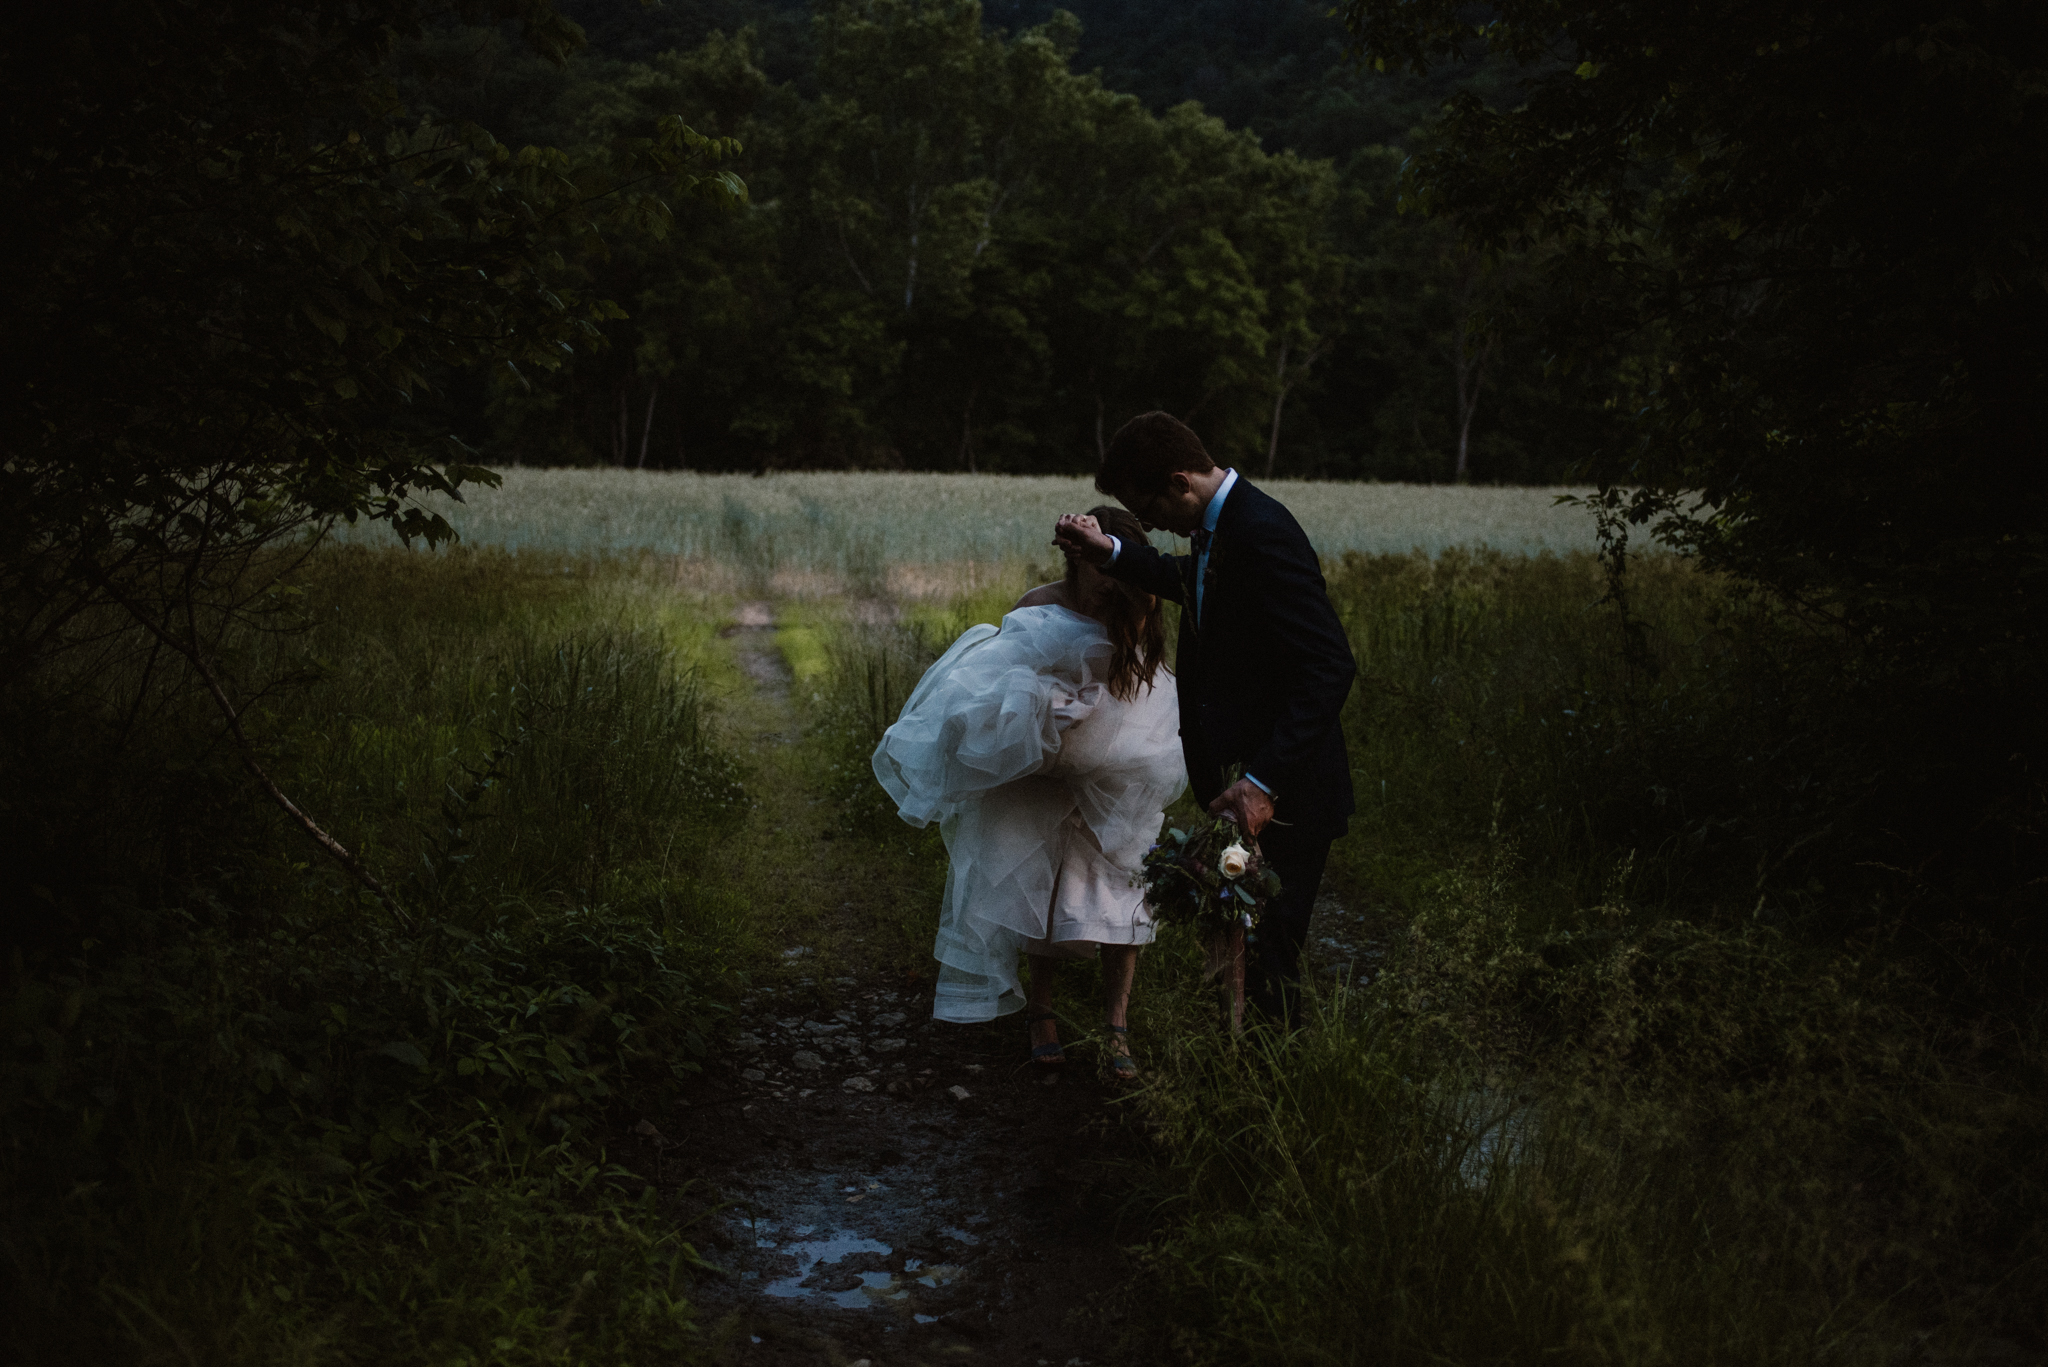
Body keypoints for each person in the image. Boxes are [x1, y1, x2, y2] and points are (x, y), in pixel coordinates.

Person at [1054, 412, 1357, 1028]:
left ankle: (1275, 1096)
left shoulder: (1262, 529)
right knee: (1244, 946)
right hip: (1248, 783)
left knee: (1272, 956)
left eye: (1150, 509)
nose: (1155, 525)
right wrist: (1109, 551)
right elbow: (1191, 582)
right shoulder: (1221, 527)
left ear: (1178, 481)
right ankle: (1247, 1074)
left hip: (1289, 790)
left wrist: (1263, 781)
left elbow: (1330, 667)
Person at [872, 505, 1184, 1079]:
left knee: (1122, 889)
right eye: (1089, 559)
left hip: (1116, 775)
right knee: (1048, 888)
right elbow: (986, 698)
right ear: (1072, 557)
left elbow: (1140, 692)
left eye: (1108, 558)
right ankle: (1041, 1013)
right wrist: (1042, 707)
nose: (1102, 575)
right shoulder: (1038, 606)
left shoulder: (1140, 603)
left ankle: (1117, 1025)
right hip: (1043, 771)